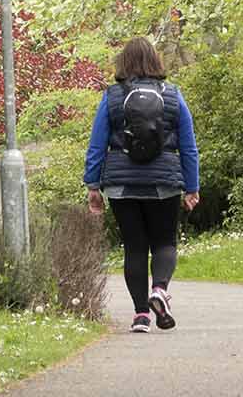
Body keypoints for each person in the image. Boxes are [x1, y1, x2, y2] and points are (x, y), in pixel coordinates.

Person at [83, 36, 200, 333]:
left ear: (123, 63)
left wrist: (93, 185)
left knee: (134, 248)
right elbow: (188, 146)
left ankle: (140, 316)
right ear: (155, 61)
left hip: (122, 185)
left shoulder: (112, 97)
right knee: (164, 242)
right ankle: (159, 290)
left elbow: (97, 144)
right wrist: (192, 186)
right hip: (164, 181)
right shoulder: (172, 95)